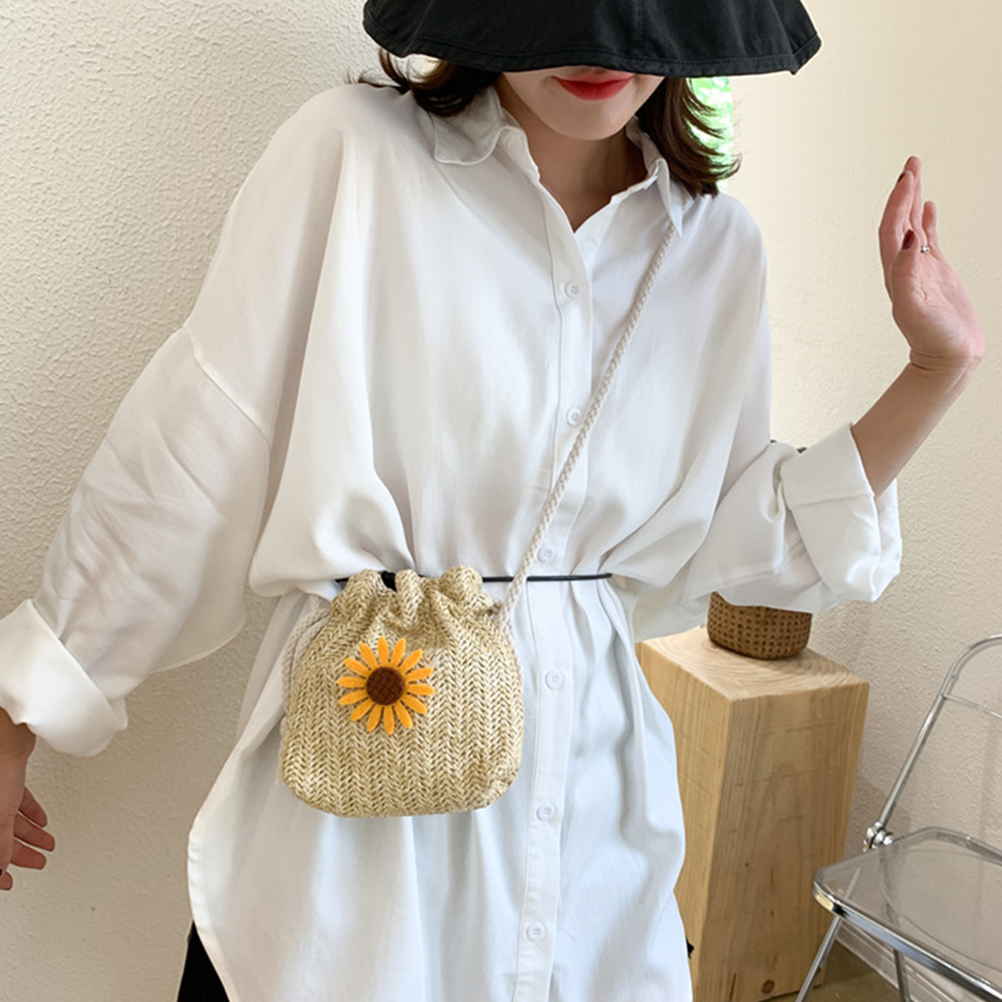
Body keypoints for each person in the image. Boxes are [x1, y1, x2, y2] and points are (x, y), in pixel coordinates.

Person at [0, 1, 985, 999]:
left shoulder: (715, 247)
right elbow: (198, 449)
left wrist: (935, 370)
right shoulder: (353, 159)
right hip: (361, 796)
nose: (595, 44)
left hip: (592, 819)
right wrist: (17, 712)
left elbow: (734, 531)